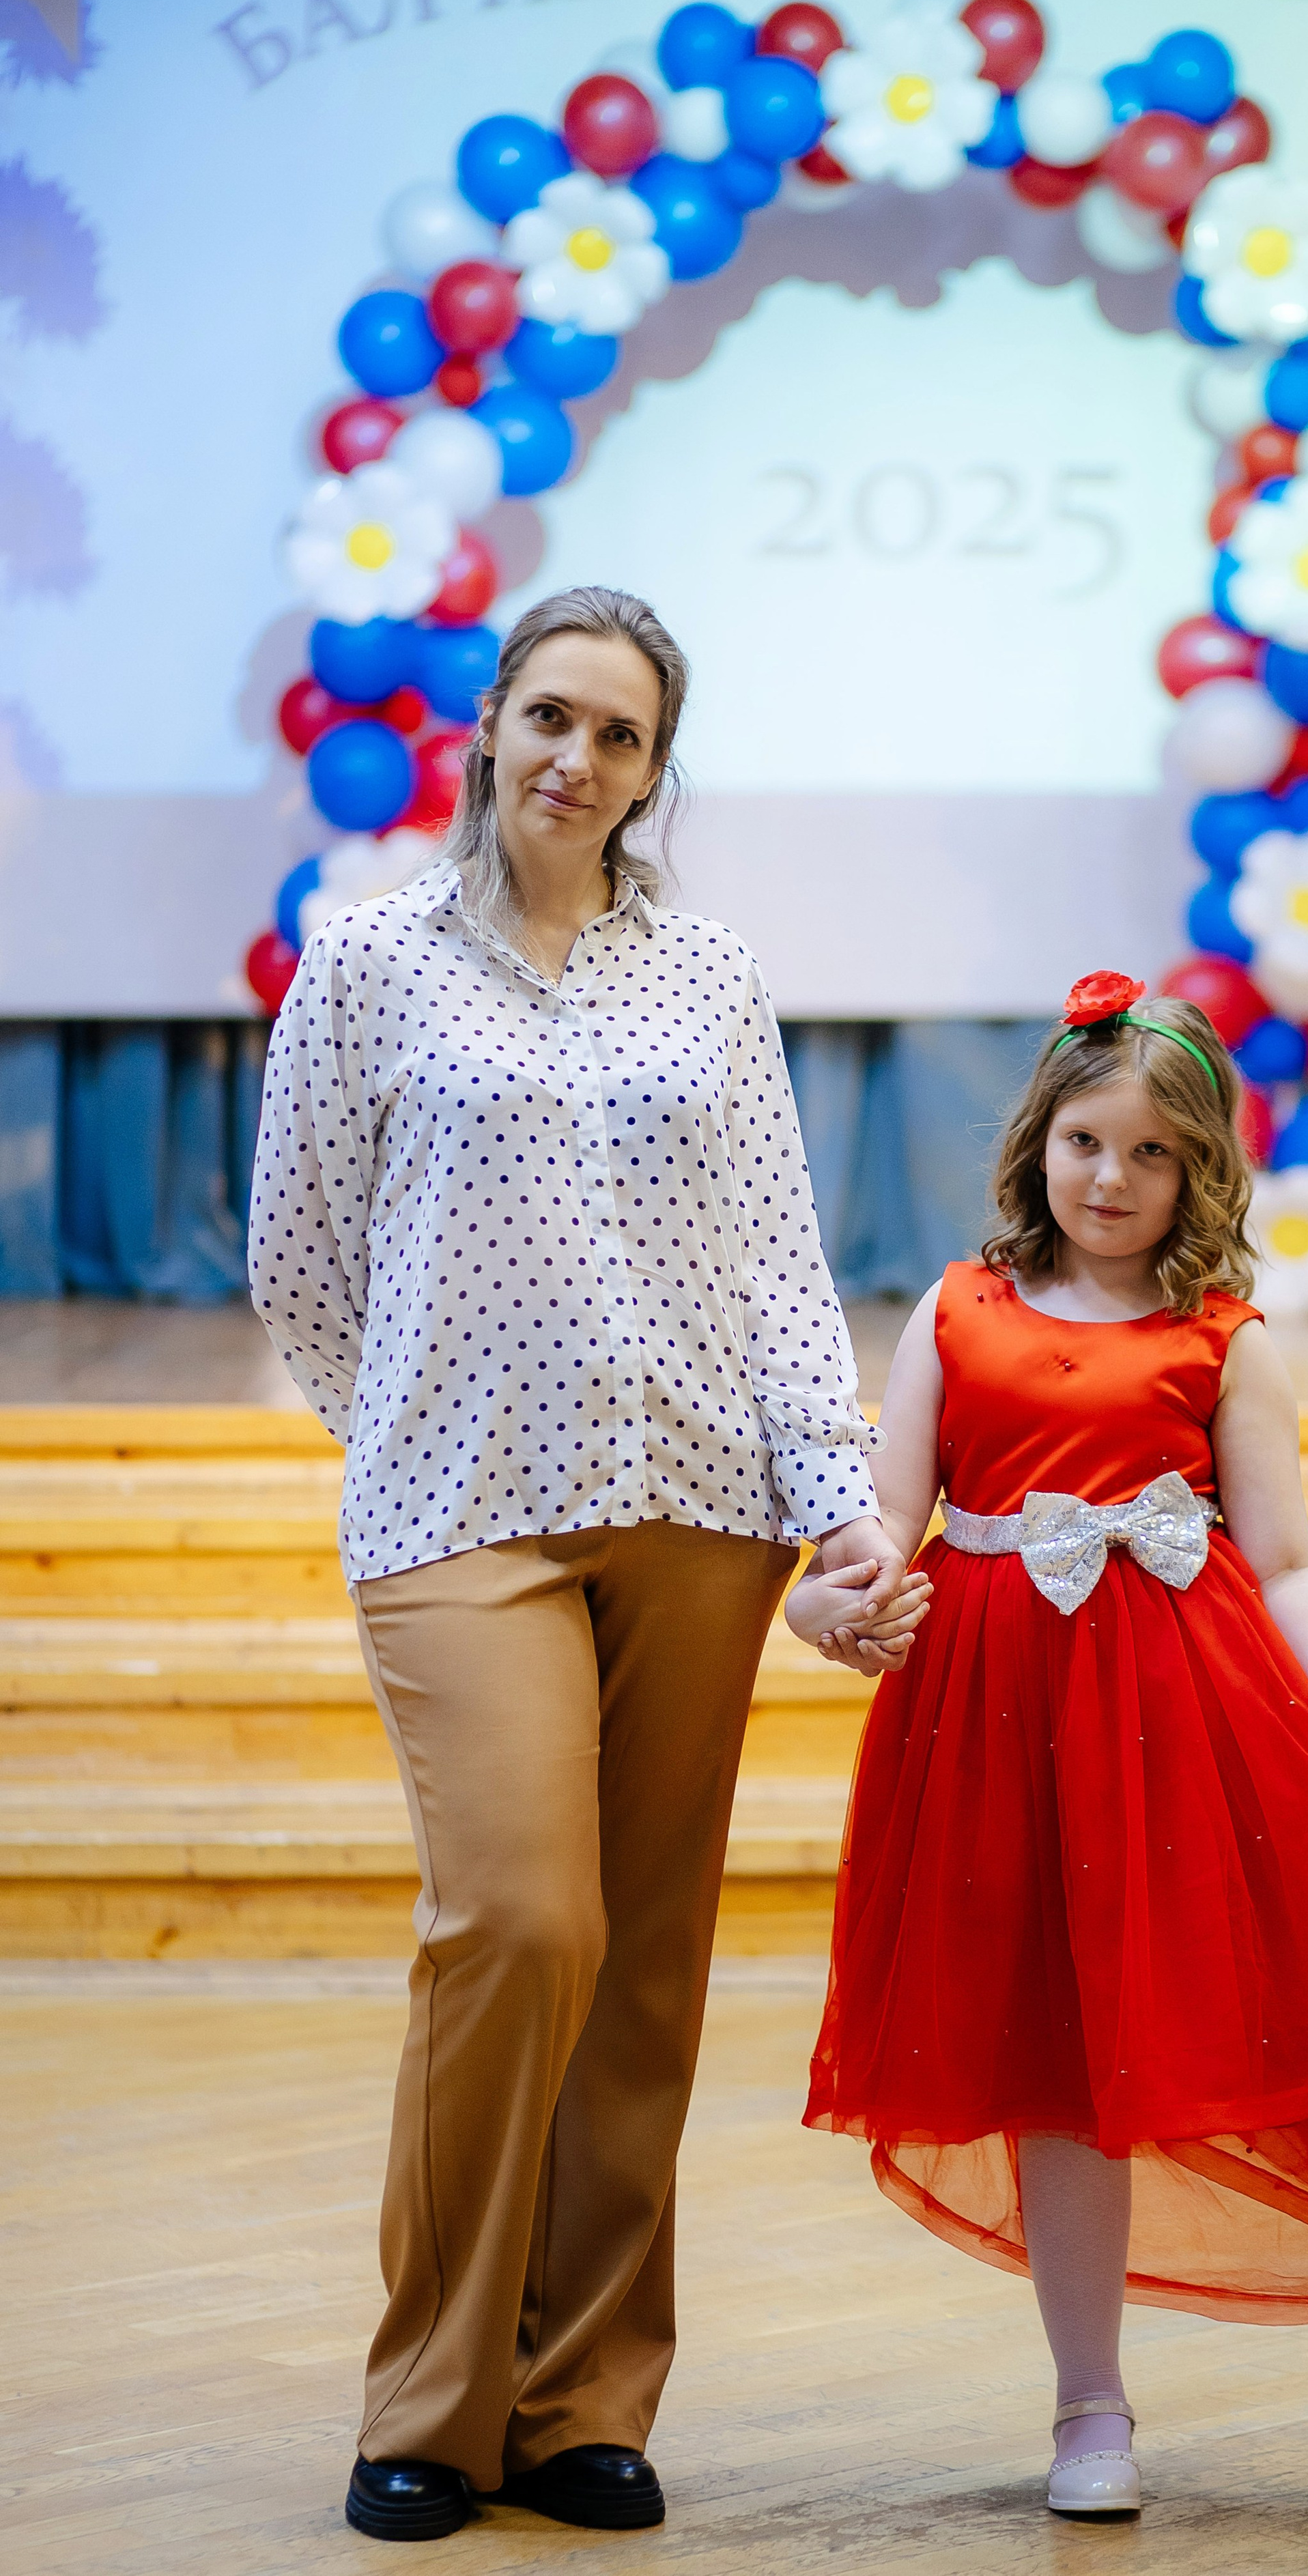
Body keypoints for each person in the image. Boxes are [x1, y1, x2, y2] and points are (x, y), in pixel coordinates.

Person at [250, 586, 901, 2543]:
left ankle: (587, 2398)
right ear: (489, 725)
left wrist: (842, 1497)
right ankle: (433, 2401)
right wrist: (420, 1421)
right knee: (521, 1928)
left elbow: (780, 1258)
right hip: (461, 1512)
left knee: (644, 1966)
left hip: (701, 1503)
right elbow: (302, 1256)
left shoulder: (706, 972)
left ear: (650, 771)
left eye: (619, 738)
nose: (577, 761)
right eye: (552, 717)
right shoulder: (365, 960)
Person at [790, 971, 1308, 2523]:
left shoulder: (1225, 1341)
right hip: (995, 1732)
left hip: (1196, 1725)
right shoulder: (956, 1312)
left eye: (1149, 1154)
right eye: (1085, 1141)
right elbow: (887, 1524)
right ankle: (1090, 2411)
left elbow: (1282, 1564)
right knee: (1054, 2069)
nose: (1109, 1178)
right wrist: (832, 1601)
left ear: (1196, 1170)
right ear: (1039, 1143)